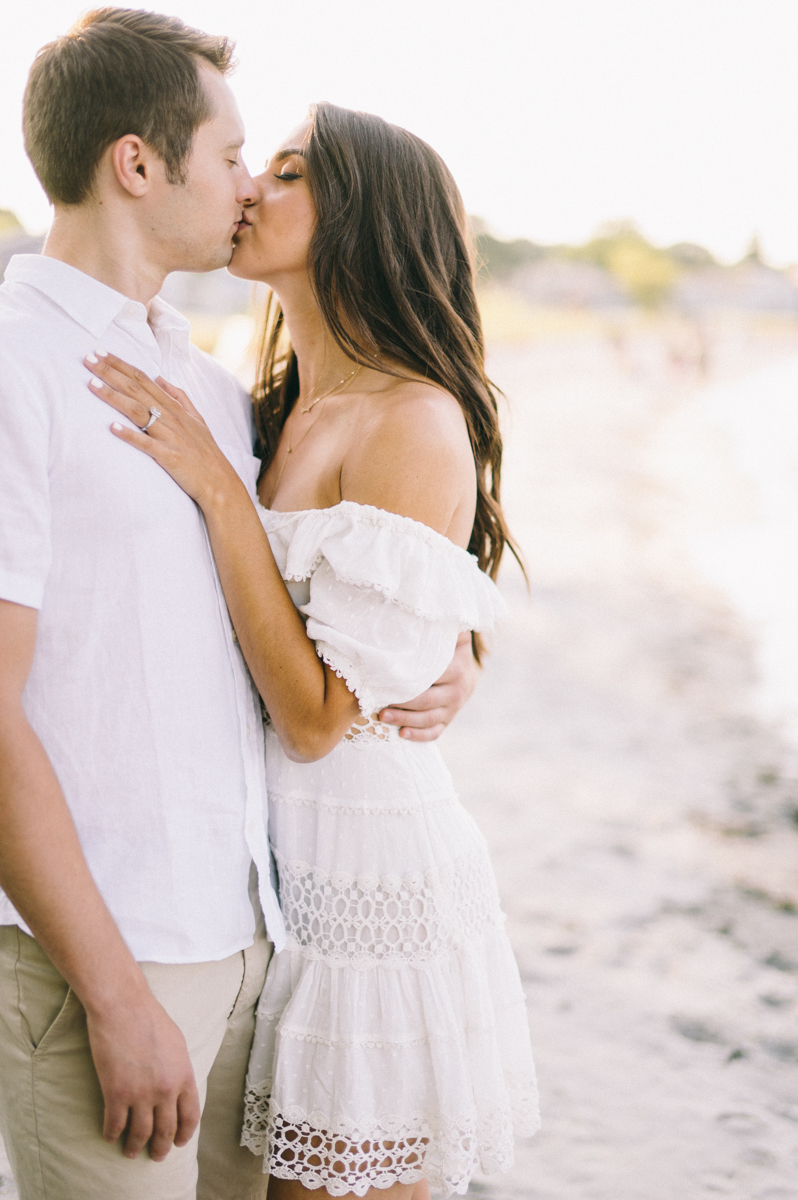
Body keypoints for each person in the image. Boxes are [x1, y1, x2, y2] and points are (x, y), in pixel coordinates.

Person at [0, 12, 475, 1200]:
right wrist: (111, 992)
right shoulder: (30, 369)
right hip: (117, 959)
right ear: (137, 164)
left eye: (278, 165)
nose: (249, 185)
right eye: (234, 157)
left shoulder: (208, 394)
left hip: (274, 931)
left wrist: (448, 651)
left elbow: (347, 581)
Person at [87, 102, 540, 1199]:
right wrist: (447, 650)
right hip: (265, 884)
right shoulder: (276, 405)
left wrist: (215, 490)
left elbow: (315, 717)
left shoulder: (411, 418)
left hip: (367, 887)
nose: (248, 189)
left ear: (361, 221)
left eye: (285, 172)